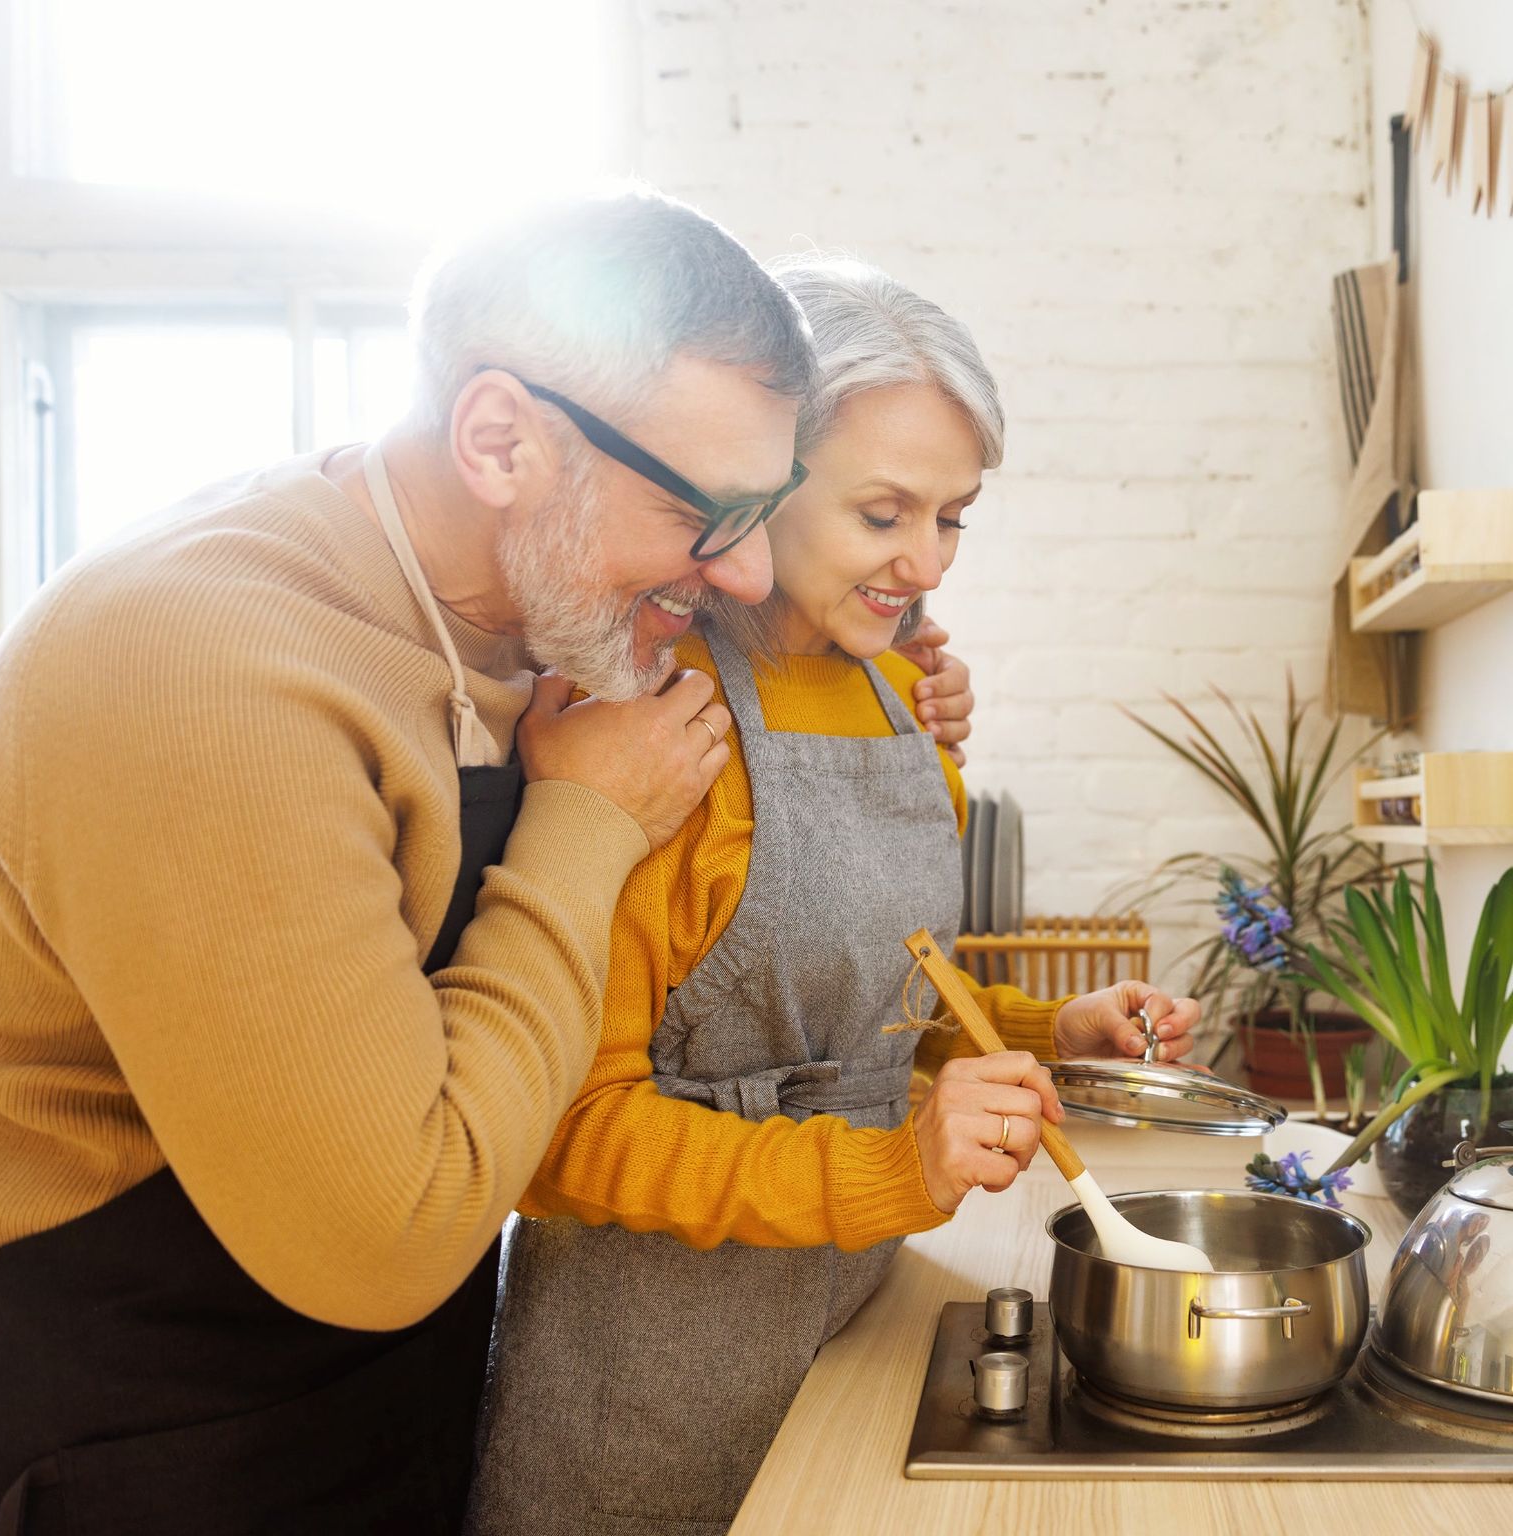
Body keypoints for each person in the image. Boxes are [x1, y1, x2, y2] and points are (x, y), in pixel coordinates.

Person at [0, 191, 977, 1536]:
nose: (742, 575)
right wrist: (587, 822)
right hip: (145, 1428)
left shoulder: (517, 611)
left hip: (393, 1393)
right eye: (708, 512)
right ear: (499, 438)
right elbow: (384, 1236)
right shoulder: (203, 666)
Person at [471, 256, 1200, 1536]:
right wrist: (893, 1165)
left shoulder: (902, 695)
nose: (927, 562)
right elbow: (561, 1134)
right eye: (885, 515)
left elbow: (876, 985)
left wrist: (1044, 1037)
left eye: (954, 516)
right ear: (760, 480)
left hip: (857, 1329)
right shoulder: (646, 727)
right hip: (647, 1397)